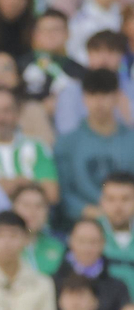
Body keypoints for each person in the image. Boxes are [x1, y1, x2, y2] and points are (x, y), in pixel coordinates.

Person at [57, 69, 134, 220]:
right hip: (84, 223)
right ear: (84, 98)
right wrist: (92, 212)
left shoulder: (131, 140)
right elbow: (64, 192)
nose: (99, 102)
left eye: (105, 94)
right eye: (93, 95)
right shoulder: (67, 143)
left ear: (117, 97)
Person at [58, 218, 133, 310]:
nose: (87, 248)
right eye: (81, 241)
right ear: (71, 241)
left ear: (103, 244)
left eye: (93, 242)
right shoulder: (55, 282)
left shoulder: (118, 287)